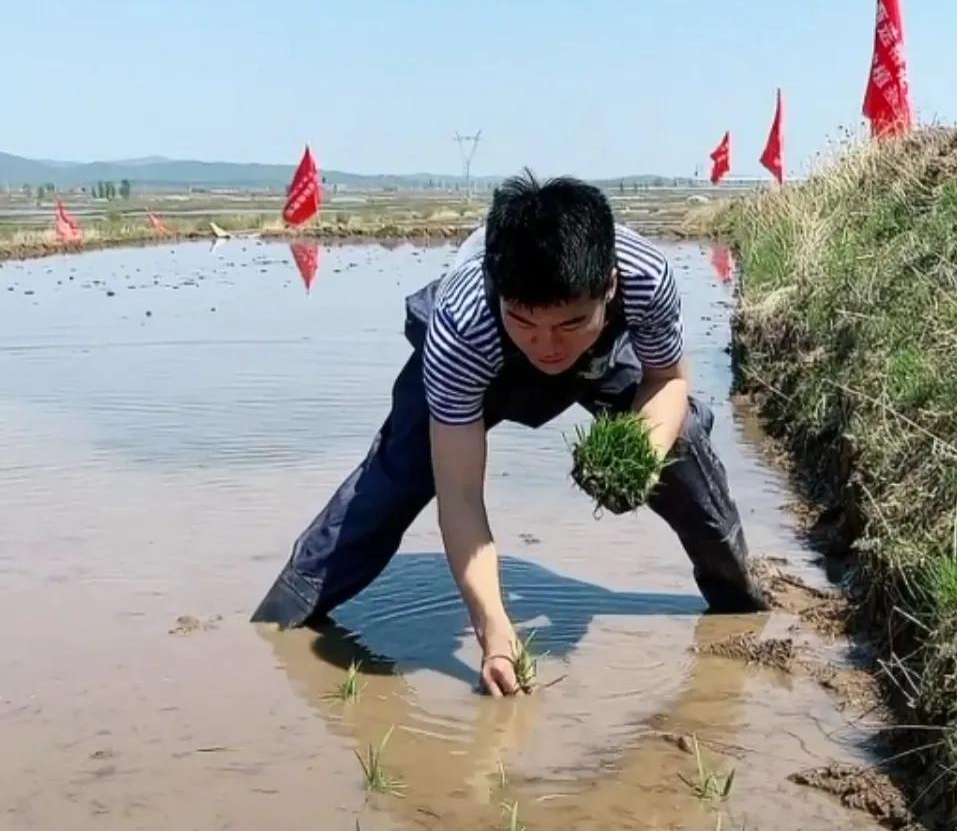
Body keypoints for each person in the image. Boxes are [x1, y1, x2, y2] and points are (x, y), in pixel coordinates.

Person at [252, 170, 767, 695]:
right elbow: (459, 497)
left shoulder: (646, 279)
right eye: (527, 323)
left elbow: (665, 380)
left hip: (601, 355)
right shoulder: (463, 323)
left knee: (681, 444)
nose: (546, 347)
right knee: (396, 476)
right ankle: (279, 619)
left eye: (568, 323)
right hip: (482, 350)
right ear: (500, 292)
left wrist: (641, 456)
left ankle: (740, 601)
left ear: (609, 286)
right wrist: (494, 629)